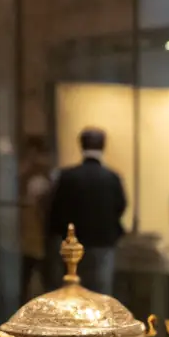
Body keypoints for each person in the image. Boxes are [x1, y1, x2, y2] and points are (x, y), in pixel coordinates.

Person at [47, 126, 127, 294]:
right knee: (101, 294)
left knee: (71, 294)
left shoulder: (67, 176)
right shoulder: (112, 178)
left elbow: (56, 210)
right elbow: (120, 206)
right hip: (103, 244)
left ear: (81, 145)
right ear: (103, 145)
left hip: (72, 245)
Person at [18, 136, 54, 299]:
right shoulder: (24, 175)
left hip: (41, 235)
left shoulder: (48, 177)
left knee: (45, 278)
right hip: (30, 235)